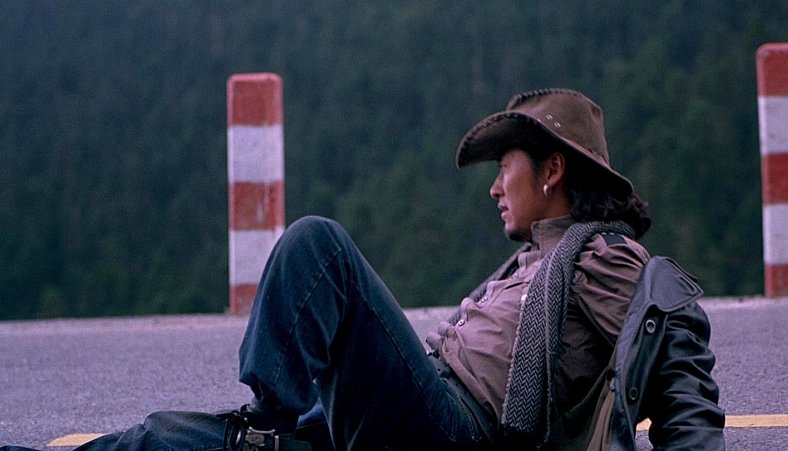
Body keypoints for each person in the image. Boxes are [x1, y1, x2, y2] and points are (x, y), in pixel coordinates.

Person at [3, 88, 724, 451]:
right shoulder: (536, 260)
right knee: (170, 436)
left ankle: (273, 421)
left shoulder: (606, 258)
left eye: (504, 167)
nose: (494, 187)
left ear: (552, 169)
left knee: (318, 247)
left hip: (457, 431)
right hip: (423, 410)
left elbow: (682, 371)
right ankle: (269, 431)